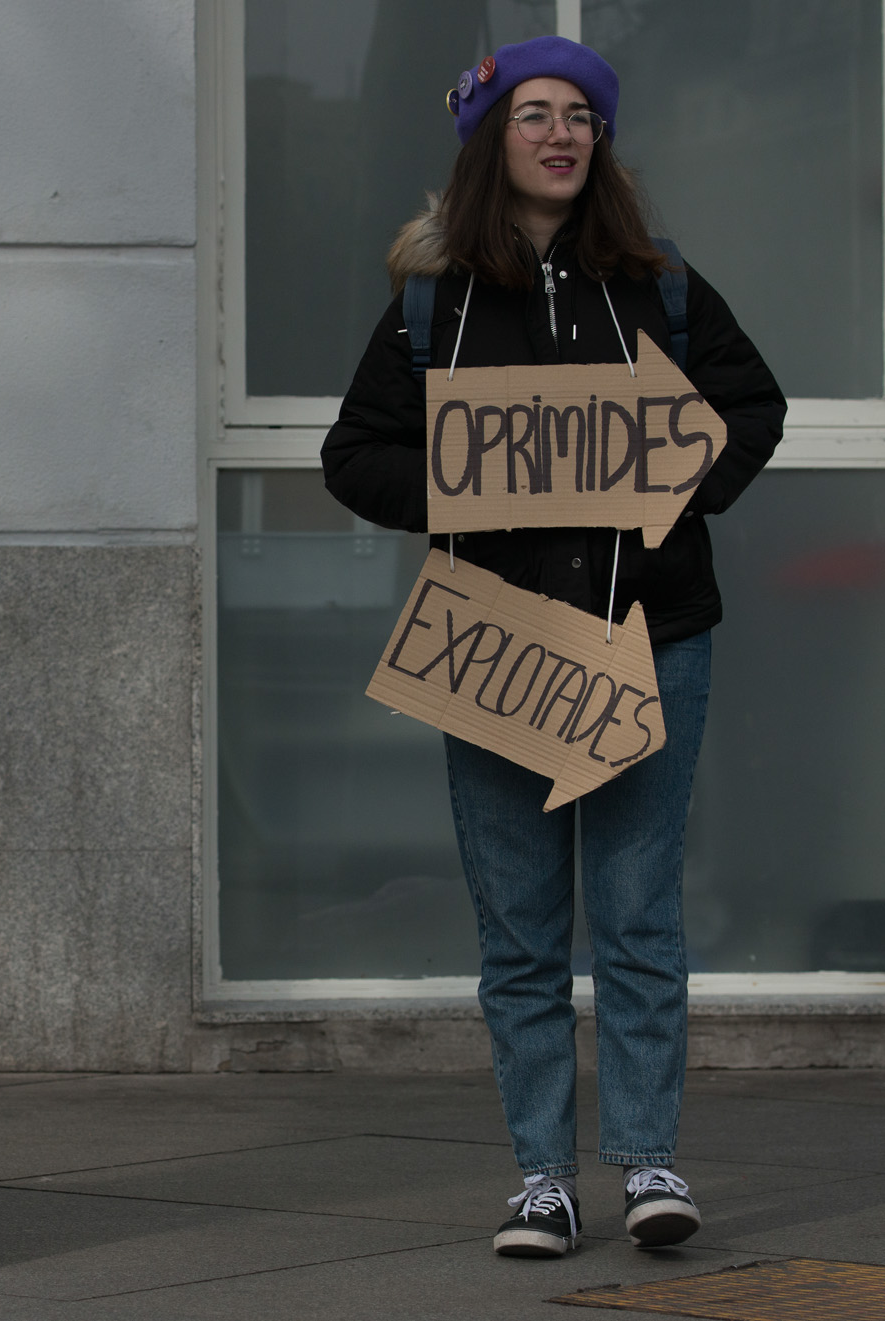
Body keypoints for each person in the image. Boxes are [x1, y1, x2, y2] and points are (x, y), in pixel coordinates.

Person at [321, 35, 784, 1258]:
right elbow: (354, 455)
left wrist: (677, 484)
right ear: (491, 138)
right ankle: (541, 1177)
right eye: (535, 113)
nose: (562, 133)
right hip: (496, 647)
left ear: (603, 142)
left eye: (582, 114)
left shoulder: (661, 282)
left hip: (647, 638)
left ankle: (648, 1165)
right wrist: (465, 490)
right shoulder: (434, 300)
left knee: (639, 918)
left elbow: (754, 407)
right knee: (520, 930)